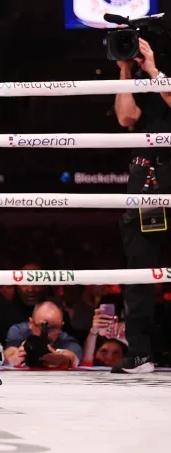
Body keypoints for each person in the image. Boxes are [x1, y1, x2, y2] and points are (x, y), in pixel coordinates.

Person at [112, 37, 167, 374]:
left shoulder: (158, 72)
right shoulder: (139, 77)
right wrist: (125, 70)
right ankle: (141, 352)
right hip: (148, 177)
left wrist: (154, 70)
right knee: (139, 266)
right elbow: (126, 118)